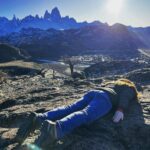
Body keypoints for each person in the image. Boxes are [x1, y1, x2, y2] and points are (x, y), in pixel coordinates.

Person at [16, 78, 140, 149]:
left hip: (94, 92)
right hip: (106, 99)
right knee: (86, 114)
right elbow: (125, 97)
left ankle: (39, 118)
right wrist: (120, 110)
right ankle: (57, 128)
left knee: (69, 108)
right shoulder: (129, 88)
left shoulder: (113, 84)